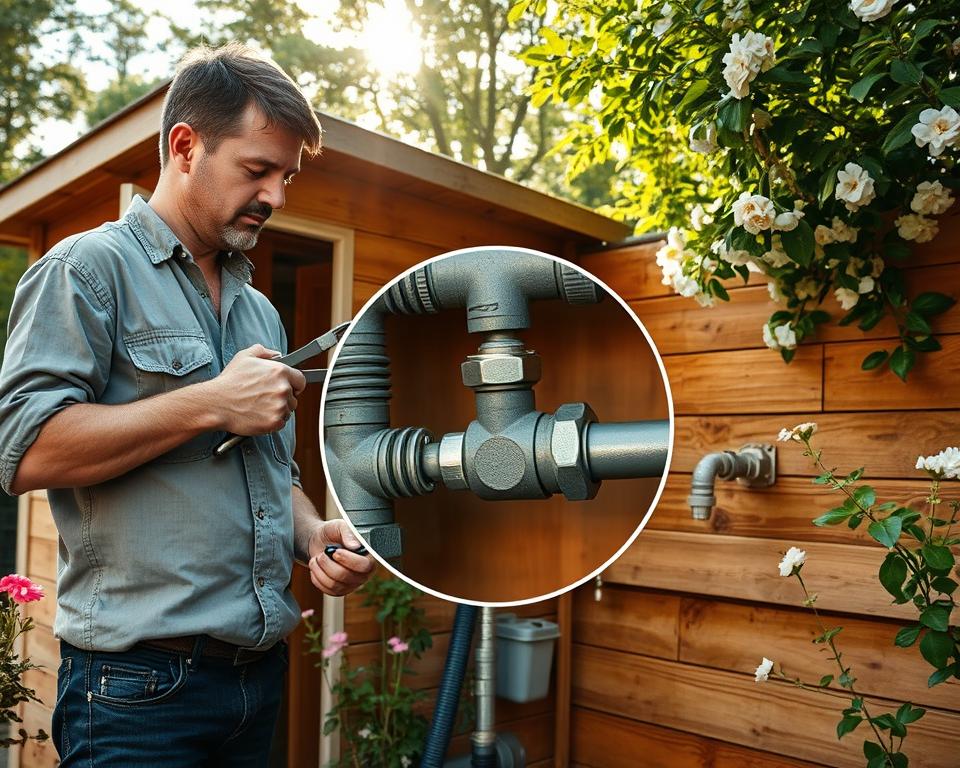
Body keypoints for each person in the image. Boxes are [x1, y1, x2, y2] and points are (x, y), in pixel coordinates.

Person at [0, 43, 373, 765]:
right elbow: (23, 449)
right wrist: (209, 402)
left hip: (255, 681)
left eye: (287, 176)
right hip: (137, 694)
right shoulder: (87, 270)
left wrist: (311, 532)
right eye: (257, 170)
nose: (276, 196)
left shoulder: (258, 311)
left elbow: (269, 471)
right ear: (185, 146)